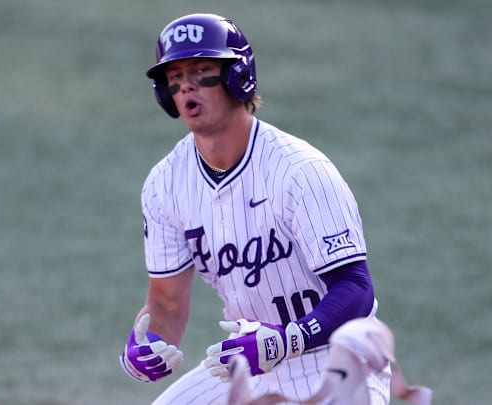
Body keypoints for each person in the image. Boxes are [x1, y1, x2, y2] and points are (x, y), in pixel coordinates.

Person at [119, 13, 391, 404]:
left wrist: (288, 340)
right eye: (175, 77)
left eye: (201, 70)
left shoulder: (299, 171)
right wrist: (144, 346)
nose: (186, 86)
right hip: (249, 360)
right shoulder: (164, 185)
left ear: (237, 76)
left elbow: (356, 290)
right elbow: (166, 303)